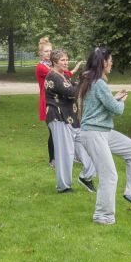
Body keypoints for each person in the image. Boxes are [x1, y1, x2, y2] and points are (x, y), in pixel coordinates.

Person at [78, 46, 131, 225]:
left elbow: (103, 104)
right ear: (103, 62)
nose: (112, 63)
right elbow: (116, 110)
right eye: (111, 60)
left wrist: (114, 98)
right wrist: (121, 101)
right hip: (93, 133)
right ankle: (103, 216)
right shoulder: (98, 83)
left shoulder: (94, 81)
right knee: (109, 175)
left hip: (103, 131)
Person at [45, 48, 97, 193]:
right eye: (63, 60)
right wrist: (83, 83)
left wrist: (80, 83)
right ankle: (63, 187)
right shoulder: (53, 76)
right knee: (65, 153)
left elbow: (74, 87)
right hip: (59, 118)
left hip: (72, 118)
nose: (66, 62)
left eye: (67, 59)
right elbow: (71, 92)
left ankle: (86, 176)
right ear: (55, 61)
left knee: (89, 146)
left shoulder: (63, 76)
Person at [35, 37, 81, 168]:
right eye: (46, 51)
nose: (49, 53)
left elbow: (64, 74)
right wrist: (72, 71)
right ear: (41, 54)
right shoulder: (42, 68)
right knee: (53, 131)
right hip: (49, 101)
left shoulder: (50, 66)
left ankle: (71, 155)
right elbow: (60, 75)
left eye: (50, 51)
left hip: (59, 99)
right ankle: (53, 159)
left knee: (65, 130)